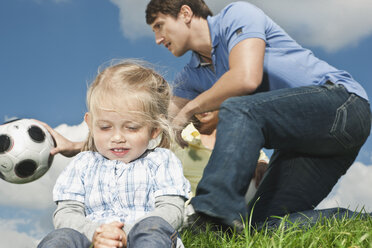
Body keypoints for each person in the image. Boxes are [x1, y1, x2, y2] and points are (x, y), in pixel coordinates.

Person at [145, 0, 371, 231]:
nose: (158, 39)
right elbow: (164, 123)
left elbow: (246, 78)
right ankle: (363, 222)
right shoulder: (190, 76)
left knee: (239, 107)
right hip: (303, 144)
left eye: (159, 26)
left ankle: (210, 210)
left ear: (185, 13)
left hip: (343, 108)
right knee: (259, 225)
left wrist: (190, 109)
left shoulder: (236, 15)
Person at [37, 60, 191, 248]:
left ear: (154, 129)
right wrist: (96, 234)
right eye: (105, 127)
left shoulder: (161, 160)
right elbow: (66, 212)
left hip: (143, 238)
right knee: (61, 237)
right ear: (91, 124)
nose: (117, 137)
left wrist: (125, 234)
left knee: (153, 227)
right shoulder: (83, 163)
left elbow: (171, 210)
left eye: (131, 128)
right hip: (94, 239)